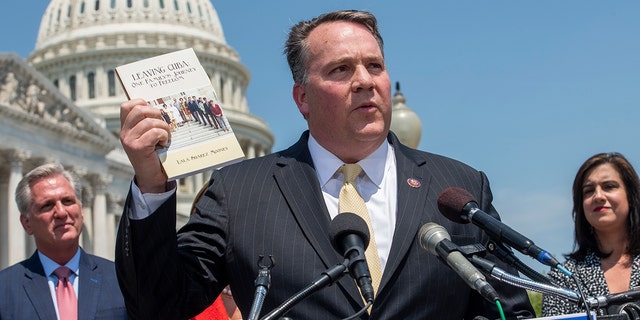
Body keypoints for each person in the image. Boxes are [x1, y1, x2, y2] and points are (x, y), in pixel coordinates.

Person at [115, 10, 534, 319]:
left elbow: (506, 306)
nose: (365, 81)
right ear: (302, 99)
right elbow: (159, 305)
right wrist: (151, 184)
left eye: (375, 66)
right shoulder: (239, 193)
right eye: (341, 69)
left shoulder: (457, 188)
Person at [0, 163, 127, 319]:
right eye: (47, 205)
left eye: (67, 201)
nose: (61, 212)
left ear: (81, 211)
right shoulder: (4, 289)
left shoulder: (122, 279)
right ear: (27, 223)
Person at [542, 152, 640, 317]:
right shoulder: (564, 277)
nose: (598, 196)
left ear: (630, 195)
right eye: (588, 191)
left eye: (609, 186)